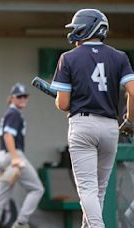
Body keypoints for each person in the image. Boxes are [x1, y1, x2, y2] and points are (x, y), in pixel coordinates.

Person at [50, 9, 134, 227]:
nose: (74, 32)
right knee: (99, 190)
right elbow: (132, 91)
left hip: (83, 124)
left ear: (88, 27)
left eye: (77, 27)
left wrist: (59, 99)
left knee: (87, 188)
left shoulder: (68, 57)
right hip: (110, 126)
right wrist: (130, 120)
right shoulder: (119, 56)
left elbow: (63, 104)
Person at [0, 83, 44, 228]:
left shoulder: (11, 112)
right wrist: (15, 158)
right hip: (12, 156)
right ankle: (21, 222)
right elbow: (8, 135)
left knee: (2, 194)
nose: (23, 99)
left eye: (25, 96)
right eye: (19, 96)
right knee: (37, 189)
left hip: (2, 156)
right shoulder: (14, 113)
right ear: (12, 98)